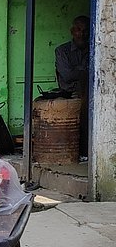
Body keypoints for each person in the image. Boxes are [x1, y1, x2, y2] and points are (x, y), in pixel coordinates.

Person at [55, 14, 90, 159]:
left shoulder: (95, 48)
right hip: (70, 93)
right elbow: (67, 76)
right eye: (78, 30)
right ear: (72, 31)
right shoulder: (62, 51)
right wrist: (85, 71)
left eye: (85, 30)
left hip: (88, 94)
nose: (81, 34)